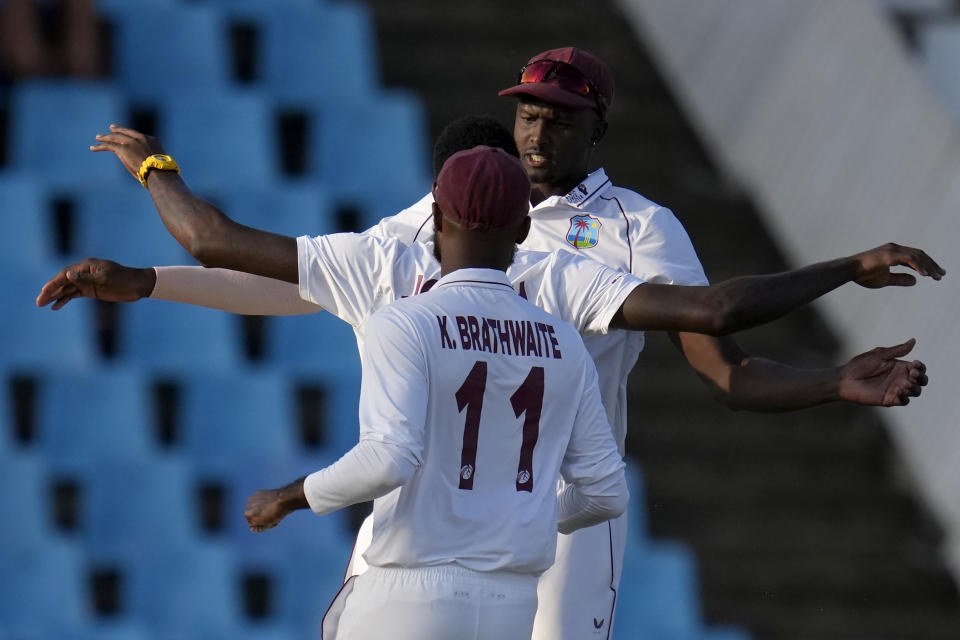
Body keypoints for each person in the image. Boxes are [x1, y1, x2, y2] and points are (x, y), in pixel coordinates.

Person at [41, 91, 942, 638]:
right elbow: (676, 369)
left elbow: (231, 247)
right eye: (527, 116)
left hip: (417, 555)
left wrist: (296, 493)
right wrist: (845, 281)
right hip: (513, 558)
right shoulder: (550, 296)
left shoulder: (411, 278)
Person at [243, 146, 630, 639]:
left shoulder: (404, 322)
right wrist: (519, 514)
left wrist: (289, 496)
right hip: (510, 606)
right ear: (524, 230)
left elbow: (387, 459)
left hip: (408, 597)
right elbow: (606, 492)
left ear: (434, 220)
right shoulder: (564, 343)